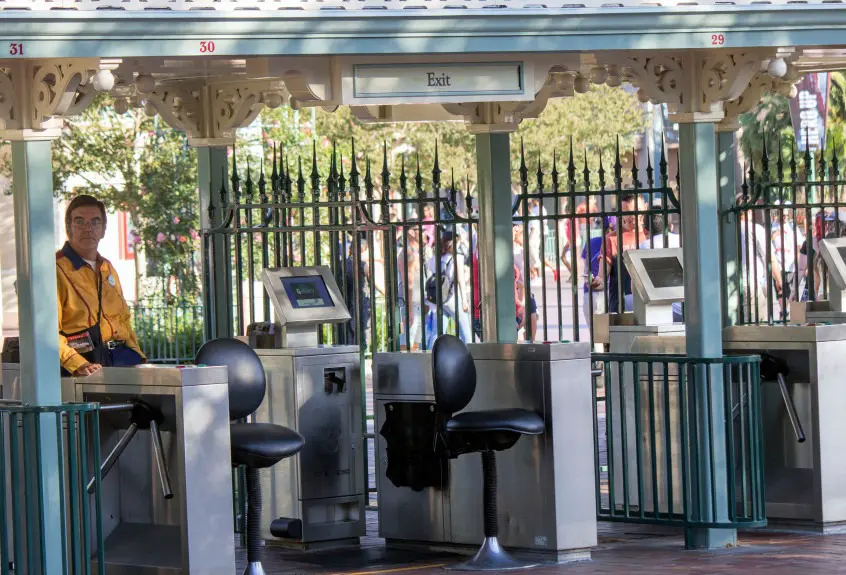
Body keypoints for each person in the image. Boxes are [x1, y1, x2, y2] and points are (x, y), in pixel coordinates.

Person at [57, 195, 145, 377]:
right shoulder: (56, 269)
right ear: (68, 228)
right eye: (79, 221)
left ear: (103, 229)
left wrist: (138, 355)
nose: (88, 228)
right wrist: (77, 364)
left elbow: (124, 319)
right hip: (85, 364)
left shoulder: (107, 268)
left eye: (95, 222)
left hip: (122, 358)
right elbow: (46, 331)